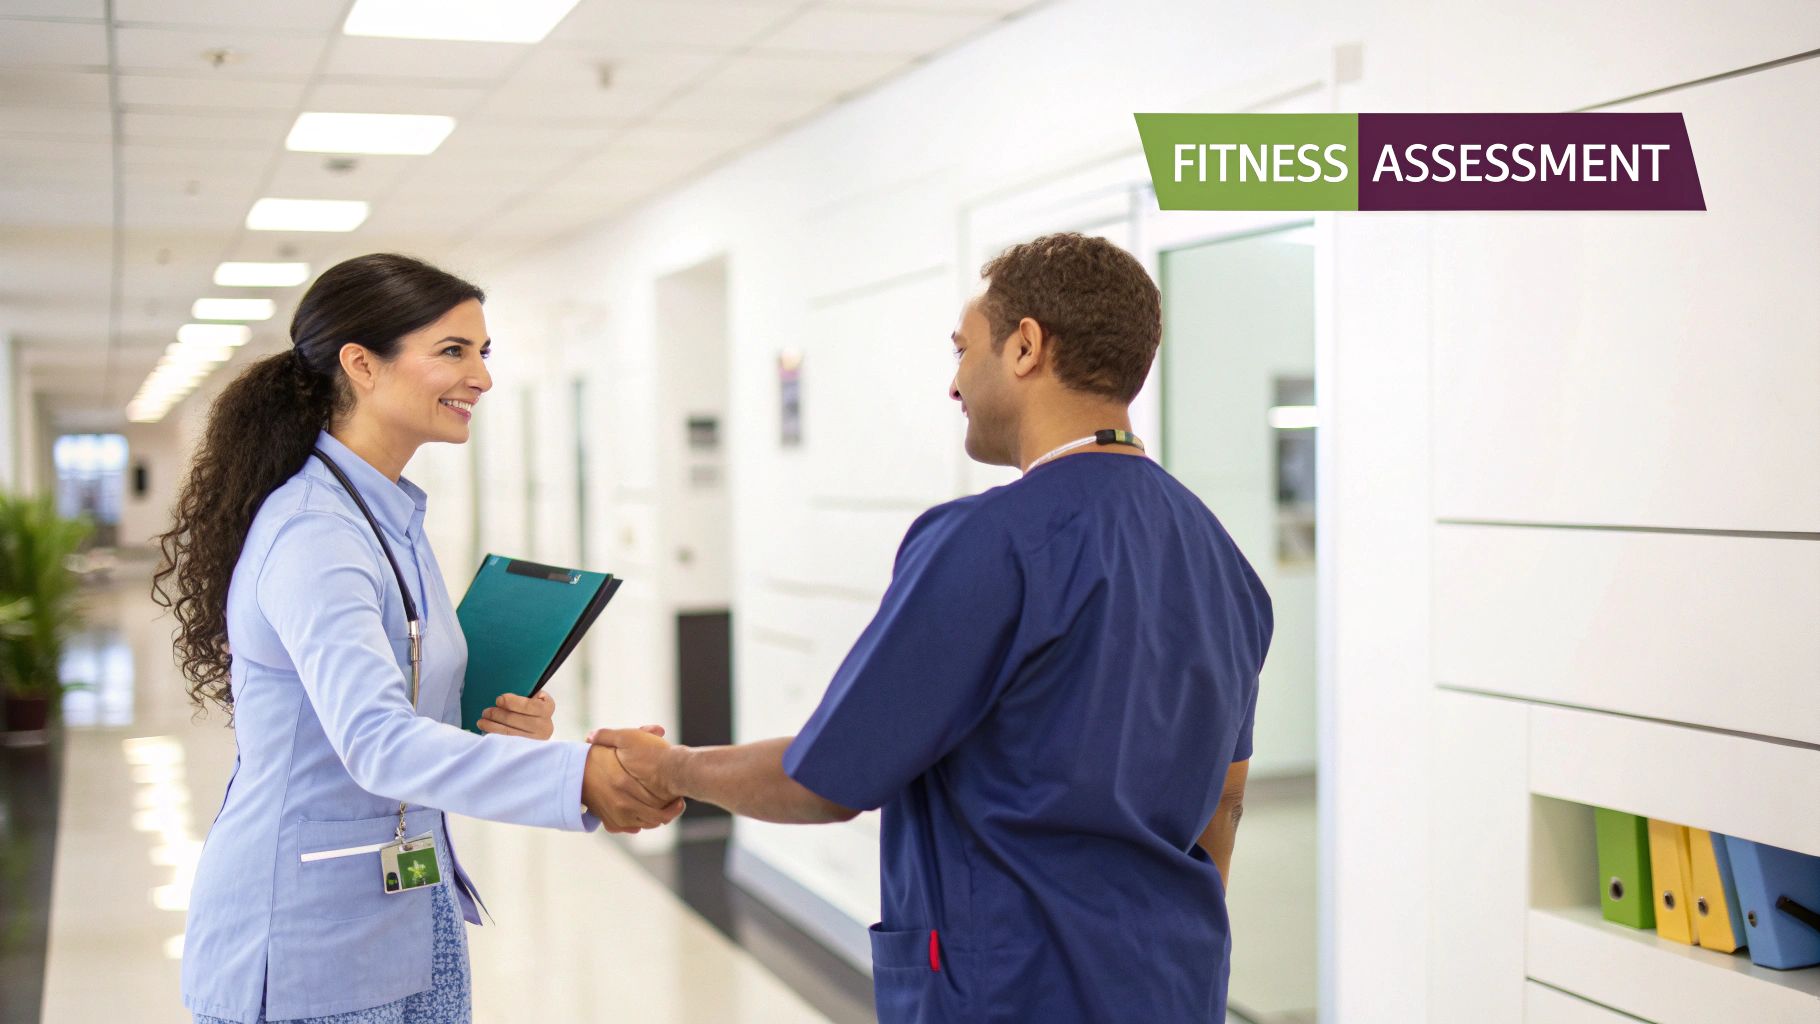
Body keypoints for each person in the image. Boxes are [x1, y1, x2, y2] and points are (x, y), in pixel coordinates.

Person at [594, 232, 1272, 1023]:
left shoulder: (987, 543)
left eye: (962, 349)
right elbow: (1223, 805)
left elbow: (825, 781)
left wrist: (671, 767)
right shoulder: (1221, 558)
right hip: (1172, 984)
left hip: (1018, 993)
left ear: (1025, 347)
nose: (954, 383)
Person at [153, 254, 682, 1024]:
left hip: (406, 897)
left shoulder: (386, 514)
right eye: (453, 351)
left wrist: (483, 719)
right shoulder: (315, 533)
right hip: (307, 932)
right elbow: (375, 741)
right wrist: (578, 778)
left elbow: (390, 701)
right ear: (362, 364)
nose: (482, 377)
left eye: (484, 352)